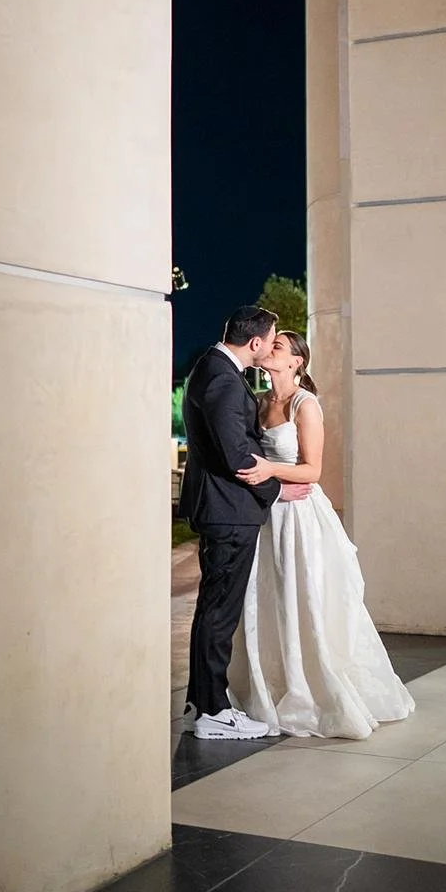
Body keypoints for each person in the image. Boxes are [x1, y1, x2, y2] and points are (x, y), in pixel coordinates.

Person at [231, 329, 414, 738]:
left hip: (299, 517)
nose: (268, 348)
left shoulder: (305, 404)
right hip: (267, 514)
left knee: (303, 596)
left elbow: (312, 470)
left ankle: (310, 687)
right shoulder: (259, 402)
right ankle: (269, 685)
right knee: (269, 598)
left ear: (297, 361)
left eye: (277, 346)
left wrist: (270, 471)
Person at [180, 306, 311, 739]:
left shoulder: (213, 368)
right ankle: (213, 712)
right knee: (219, 611)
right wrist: (276, 491)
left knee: (215, 610)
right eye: (269, 340)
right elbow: (236, 454)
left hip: (224, 509)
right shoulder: (220, 375)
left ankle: (205, 701)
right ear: (254, 343)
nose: (270, 347)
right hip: (228, 512)